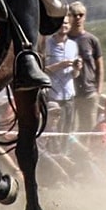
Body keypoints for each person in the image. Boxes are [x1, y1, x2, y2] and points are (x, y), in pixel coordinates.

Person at [42, 20, 81, 149]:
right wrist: (59, 65)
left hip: (69, 95)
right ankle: (53, 155)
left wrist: (77, 68)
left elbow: (75, 75)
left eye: (66, 23)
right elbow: (42, 70)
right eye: (60, 23)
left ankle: (64, 155)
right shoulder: (47, 44)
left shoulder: (73, 45)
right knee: (53, 130)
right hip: (53, 95)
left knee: (67, 129)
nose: (63, 26)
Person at [67, 1, 104, 132]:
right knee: (67, 128)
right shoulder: (63, 39)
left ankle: (87, 152)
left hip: (88, 92)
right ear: (69, 17)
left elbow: (100, 66)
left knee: (88, 127)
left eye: (81, 15)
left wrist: (98, 90)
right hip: (69, 92)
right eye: (74, 15)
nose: (77, 18)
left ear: (85, 17)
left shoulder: (92, 40)